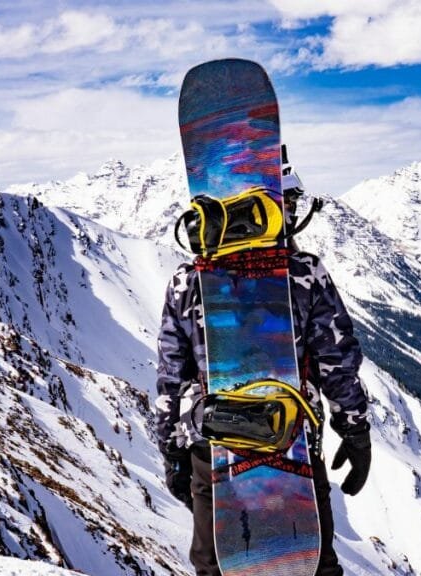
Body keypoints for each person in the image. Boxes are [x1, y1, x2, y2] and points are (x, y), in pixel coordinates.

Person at [155, 162, 372, 576]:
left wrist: (172, 450)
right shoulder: (304, 273)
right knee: (310, 565)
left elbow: (171, 377)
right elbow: (336, 363)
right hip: (293, 446)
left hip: (213, 450)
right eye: (288, 204)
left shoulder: (186, 280)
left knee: (217, 566)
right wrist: (355, 428)